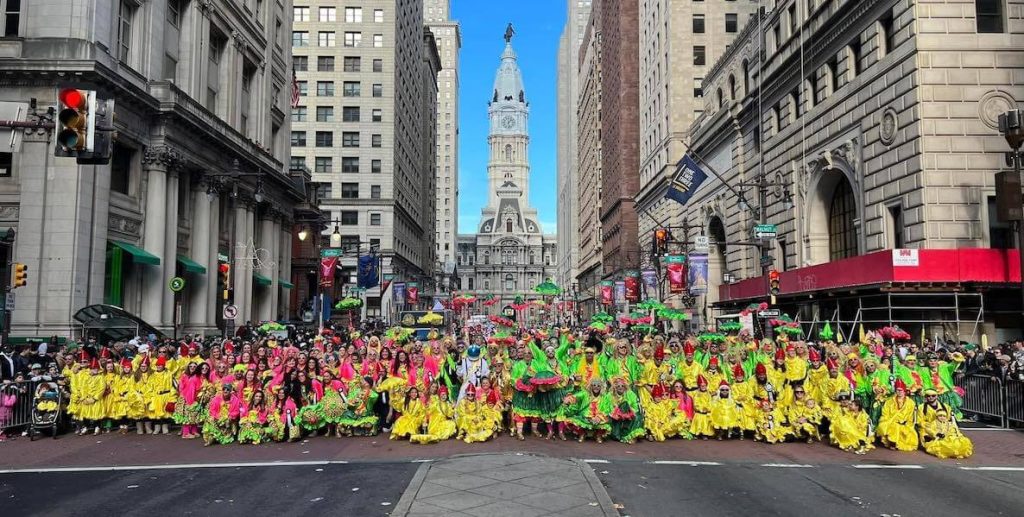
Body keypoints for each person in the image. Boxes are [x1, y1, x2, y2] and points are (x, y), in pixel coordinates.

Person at [877, 379, 918, 452]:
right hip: (891, 421)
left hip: (904, 423)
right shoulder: (889, 401)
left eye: (901, 390)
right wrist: (889, 420)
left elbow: (911, 416)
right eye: (897, 390)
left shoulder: (910, 402)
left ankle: (895, 442)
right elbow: (885, 413)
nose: (899, 392)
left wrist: (906, 422)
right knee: (894, 426)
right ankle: (892, 442)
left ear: (904, 391)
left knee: (908, 432)